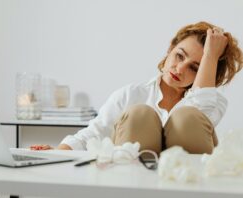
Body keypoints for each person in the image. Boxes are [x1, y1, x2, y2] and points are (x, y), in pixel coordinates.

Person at [31, 21, 243, 154]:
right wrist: (57, 152)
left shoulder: (213, 103)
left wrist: (211, 56)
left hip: (188, 180)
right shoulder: (132, 94)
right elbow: (94, 133)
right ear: (170, 48)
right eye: (179, 55)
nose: (179, 68)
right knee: (139, 114)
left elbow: (199, 113)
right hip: (134, 178)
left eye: (195, 68)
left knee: (187, 118)